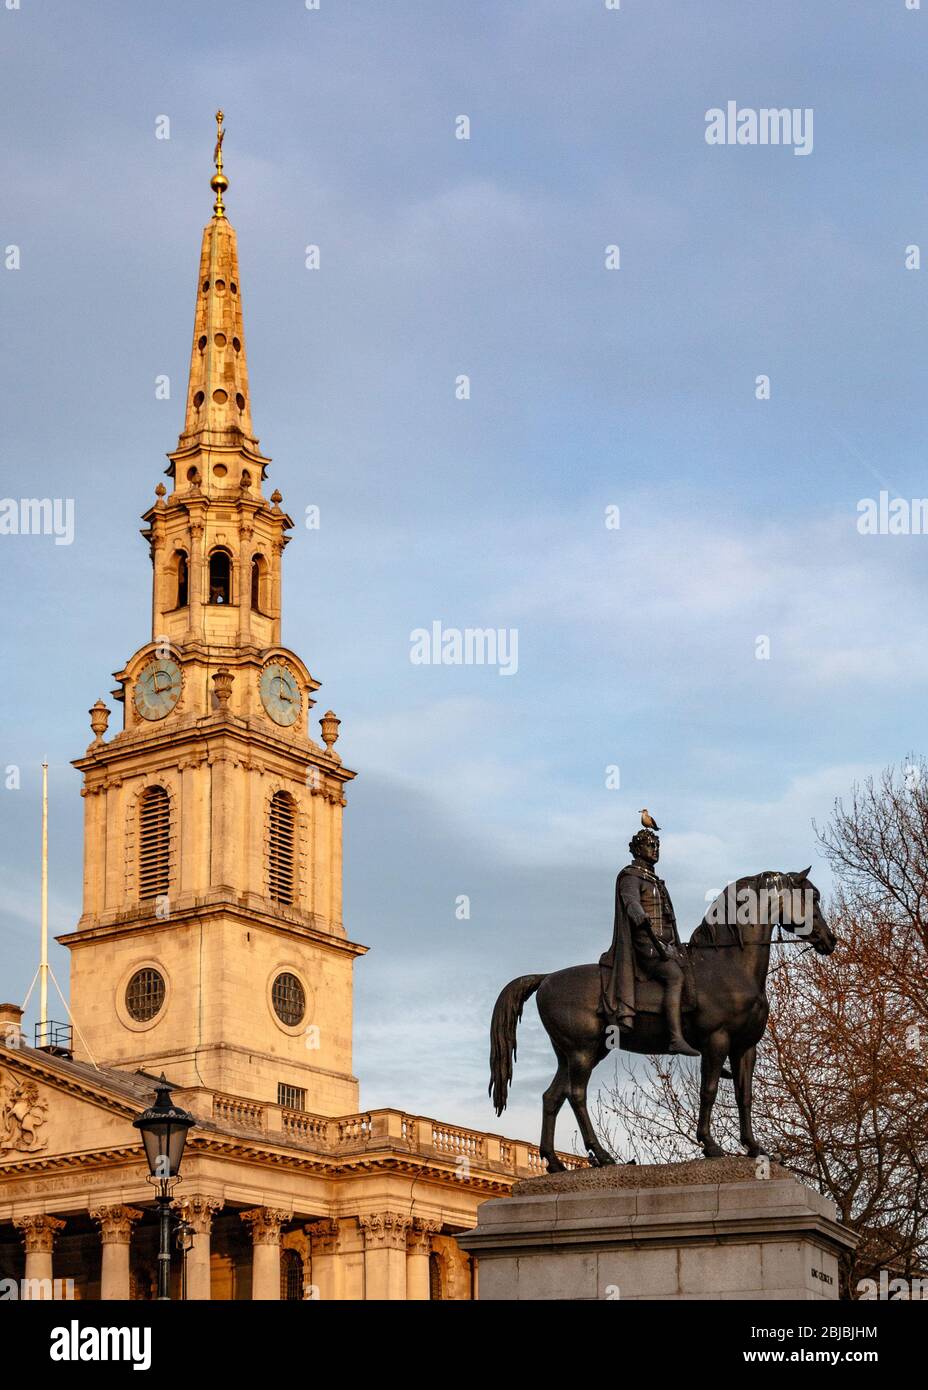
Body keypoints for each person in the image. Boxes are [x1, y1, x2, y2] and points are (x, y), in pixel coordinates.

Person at [599, 828, 700, 1056]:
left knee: (698, 972)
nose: (654, 850)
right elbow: (631, 900)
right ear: (637, 849)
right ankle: (675, 1039)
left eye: (657, 846)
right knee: (675, 976)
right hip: (646, 946)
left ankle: (703, 1039)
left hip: (666, 944)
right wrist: (638, 914)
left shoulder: (655, 880)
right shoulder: (631, 876)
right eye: (649, 845)